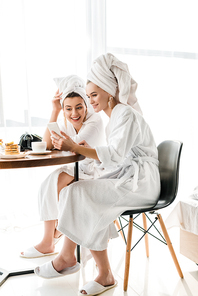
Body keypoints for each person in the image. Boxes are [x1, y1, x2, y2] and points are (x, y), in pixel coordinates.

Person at [34, 53, 160, 296]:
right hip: (131, 176)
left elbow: (114, 154)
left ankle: (72, 260)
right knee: (75, 191)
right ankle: (87, 266)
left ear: (109, 92)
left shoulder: (124, 113)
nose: (90, 101)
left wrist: (74, 147)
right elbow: (117, 156)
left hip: (143, 182)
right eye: (88, 95)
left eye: (93, 95)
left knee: (84, 195)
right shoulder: (116, 115)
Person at [20, 75, 105, 259]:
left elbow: (75, 148)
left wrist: (63, 141)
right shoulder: (65, 120)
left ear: (86, 105)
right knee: (47, 184)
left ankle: (50, 239)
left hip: (92, 170)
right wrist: (54, 111)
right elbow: (48, 144)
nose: (74, 113)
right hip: (73, 168)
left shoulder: (95, 121)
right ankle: (50, 238)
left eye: (79, 107)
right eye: (68, 109)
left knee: (56, 183)